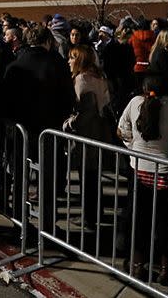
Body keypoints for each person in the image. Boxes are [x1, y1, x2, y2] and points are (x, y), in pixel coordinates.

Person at [118, 75, 168, 283]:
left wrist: (133, 149)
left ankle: (137, 266)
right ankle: (166, 270)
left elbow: (122, 130)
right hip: (167, 173)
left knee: (138, 220)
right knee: (166, 224)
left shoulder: (135, 102)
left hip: (140, 170)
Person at [3, 26, 73, 229]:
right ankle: (48, 225)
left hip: (20, 130)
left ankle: (18, 219)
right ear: (48, 41)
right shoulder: (56, 63)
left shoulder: (15, 63)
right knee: (48, 180)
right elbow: (67, 97)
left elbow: (6, 100)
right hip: (47, 129)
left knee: (20, 177)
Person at [64, 45, 112, 232]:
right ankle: (95, 213)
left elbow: (85, 111)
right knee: (93, 176)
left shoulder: (81, 79)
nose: (69, 61)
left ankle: (89, 218)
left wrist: (68, 123)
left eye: (72, 57)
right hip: (99, 132)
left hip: (86, 134)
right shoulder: (100, 77)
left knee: (87, 176)